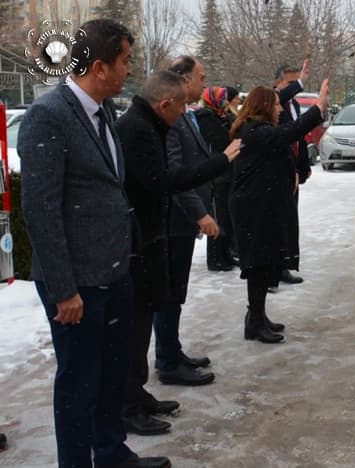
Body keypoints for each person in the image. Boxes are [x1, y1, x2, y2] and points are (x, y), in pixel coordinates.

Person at [18, 19, 170, 468]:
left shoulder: (105, 112)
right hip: (76, 286)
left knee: (110, 377)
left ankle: (111, 453)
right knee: (78, 384)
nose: (130, 70)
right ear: (100, 67)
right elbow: (41, 211)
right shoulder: (48, 116)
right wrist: (65, 290)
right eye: (125, 61)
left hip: (113, 274)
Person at [116, 72, 241, 435]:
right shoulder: (139, 128)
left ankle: (136, 394)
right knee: (137, 328)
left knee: (145, 320)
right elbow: (164, 180)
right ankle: (129, 405)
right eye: (183, 103)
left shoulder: (147, 123)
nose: (187, 110)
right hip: (143, 239)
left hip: (151, 236)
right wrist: (222, 161)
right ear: (165, 103)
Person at [230, 80, 329, 343]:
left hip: (264, 206)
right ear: (263, 107)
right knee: (258, 264)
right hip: (254, 210)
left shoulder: (260, 129)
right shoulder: (254, 131)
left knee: (265, 262)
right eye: (275, 104)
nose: (279, 109)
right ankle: (254, 321)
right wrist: (317, 109)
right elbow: (287, 134)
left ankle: (258, 316)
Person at [151, 55, 220, 386]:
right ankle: (166, 360)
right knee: (168, 293)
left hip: (181, 224)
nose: (204, 84)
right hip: (172, 222)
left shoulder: (187, 117)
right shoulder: (171, 120)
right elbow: (174, 175)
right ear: (183, 81)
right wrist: (199, 213)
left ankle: (172, 350)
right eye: (200, 77)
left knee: (176, 292)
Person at [274, 61, 312, 286]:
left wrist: (302, 167)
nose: (294, 88)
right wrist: (300, 82)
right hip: (276, 175)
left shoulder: (294, 105)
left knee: (290, 221)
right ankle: (273, 270)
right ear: (278, 84)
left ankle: (286, 265)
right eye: (289, 83)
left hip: (292, 173)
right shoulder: (270, 103)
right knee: (277, 223)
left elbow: (300, 137)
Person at [196, 87, 238, 272]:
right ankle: (216, 258)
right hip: (217, 174)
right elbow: (222, 141)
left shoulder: (222, 116)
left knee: (227, 216)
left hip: (226, 172)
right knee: (218, 215)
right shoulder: (206, 118)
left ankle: (226, 253)